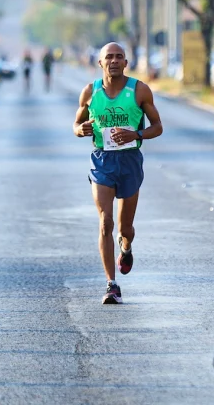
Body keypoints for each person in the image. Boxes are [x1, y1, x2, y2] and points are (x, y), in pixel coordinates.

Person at [73, 42, 163, 304]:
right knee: (105, 222)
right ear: (100, 63)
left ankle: (126, 247)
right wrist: (81, 130)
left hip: (130, 160)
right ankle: (111, 284)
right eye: (108, 57)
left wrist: (136, 134)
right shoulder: (90, 92)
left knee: (125, 228)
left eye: (119, 57)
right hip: (102, 160)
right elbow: (77, 124)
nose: (114, 61)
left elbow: (157, 126)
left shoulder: (139, 90)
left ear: (126, 63)